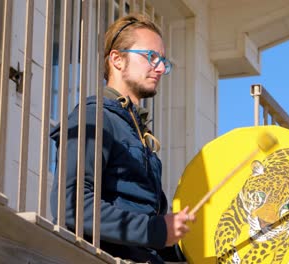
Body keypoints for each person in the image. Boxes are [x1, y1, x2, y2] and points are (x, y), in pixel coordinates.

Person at [50, 13, 195, 263]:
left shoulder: (136, 131)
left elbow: (144, 221)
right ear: (117, 59)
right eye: (151, 57)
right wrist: (156, 230)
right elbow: (70, 206)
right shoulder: (93, 118)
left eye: (163, 61)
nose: (160, 68)